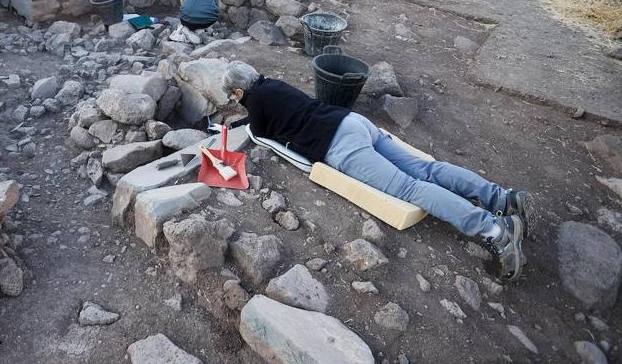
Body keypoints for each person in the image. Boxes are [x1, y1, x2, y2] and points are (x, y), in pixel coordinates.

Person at [222, 61, 530, 282]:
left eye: (233, 96)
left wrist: (236, 120)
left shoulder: (255, 99)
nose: (235, 101)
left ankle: (496, 231)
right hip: (352, 122)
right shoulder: (271, 84)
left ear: (238, 91)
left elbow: (257, 130)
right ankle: (503, 199)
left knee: (410, 189)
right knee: (428, 169)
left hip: (339, 144)